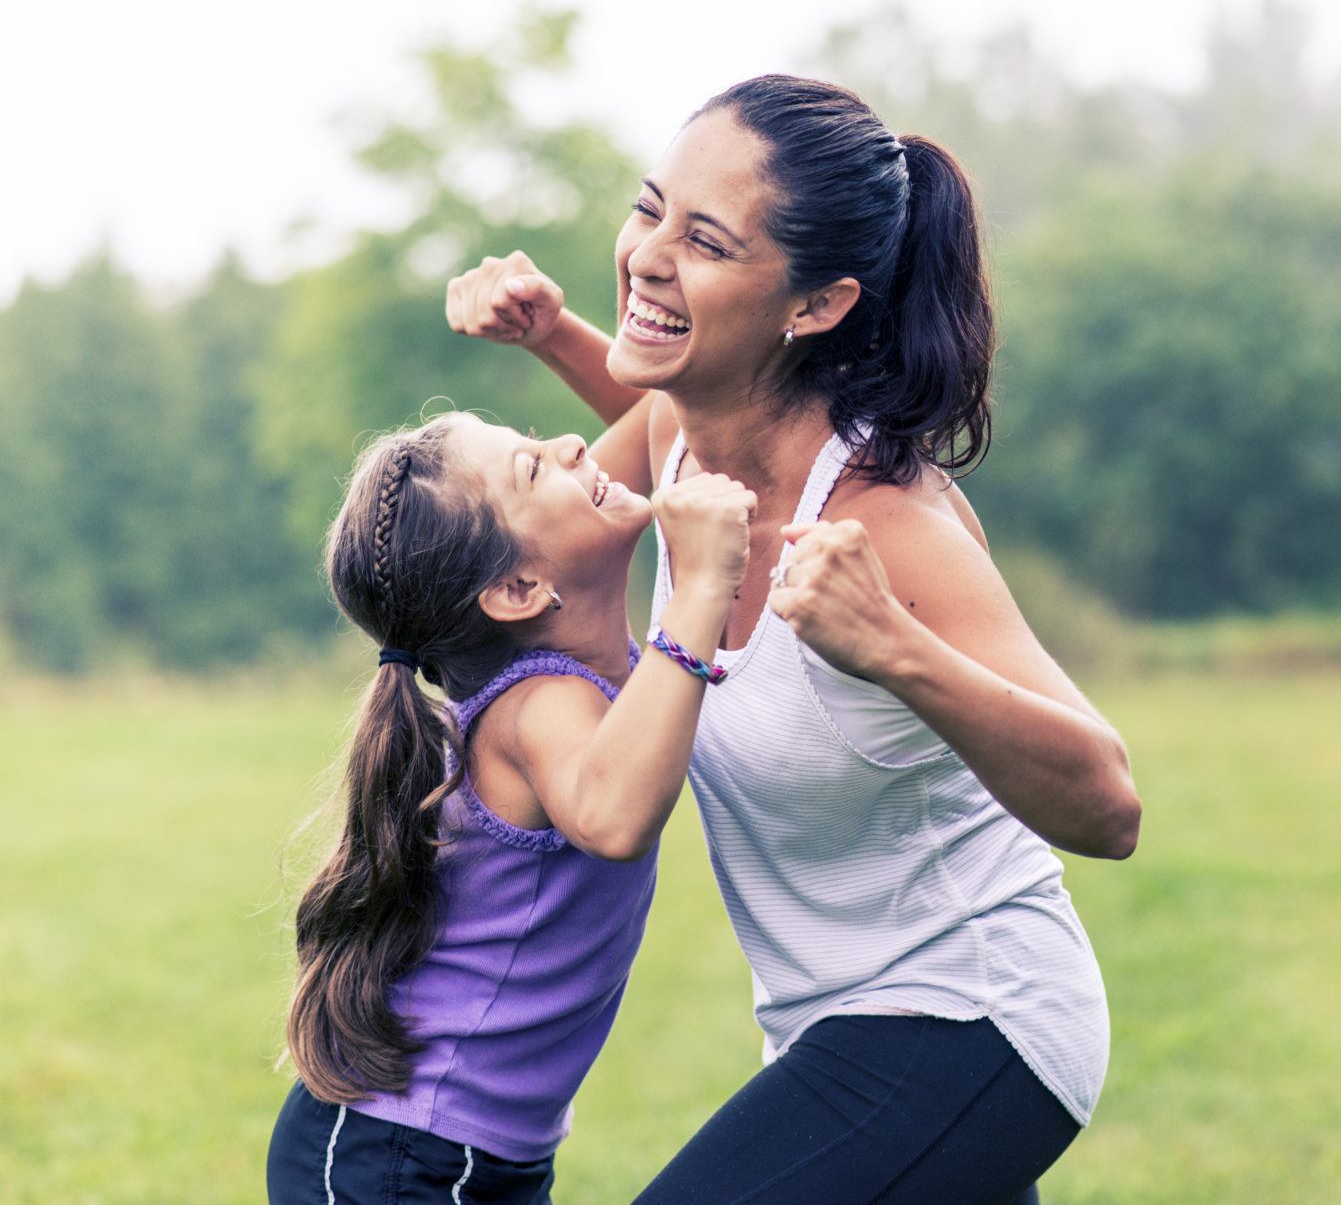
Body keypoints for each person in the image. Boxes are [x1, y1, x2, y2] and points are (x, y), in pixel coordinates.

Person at [443, 75, 1144, 1204]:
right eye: (649, 208)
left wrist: (895, 651)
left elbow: (1107, 804)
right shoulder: (677, 445)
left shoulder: (885, 524)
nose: (648, 253)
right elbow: (591, 486)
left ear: (813, 305)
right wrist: (555, 332)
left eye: (706, 241)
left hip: (970, 1013)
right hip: (829, 1024)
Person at [266, 410, 756, 1204]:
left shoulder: (565, 668)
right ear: (519, 589)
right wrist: (700, 589)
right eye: (534, 465)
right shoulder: (539, 704)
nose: (573, 445)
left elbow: (666, 410)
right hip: (407, 1155)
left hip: (449, 1149)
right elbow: (615, 817)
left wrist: (552, 329)